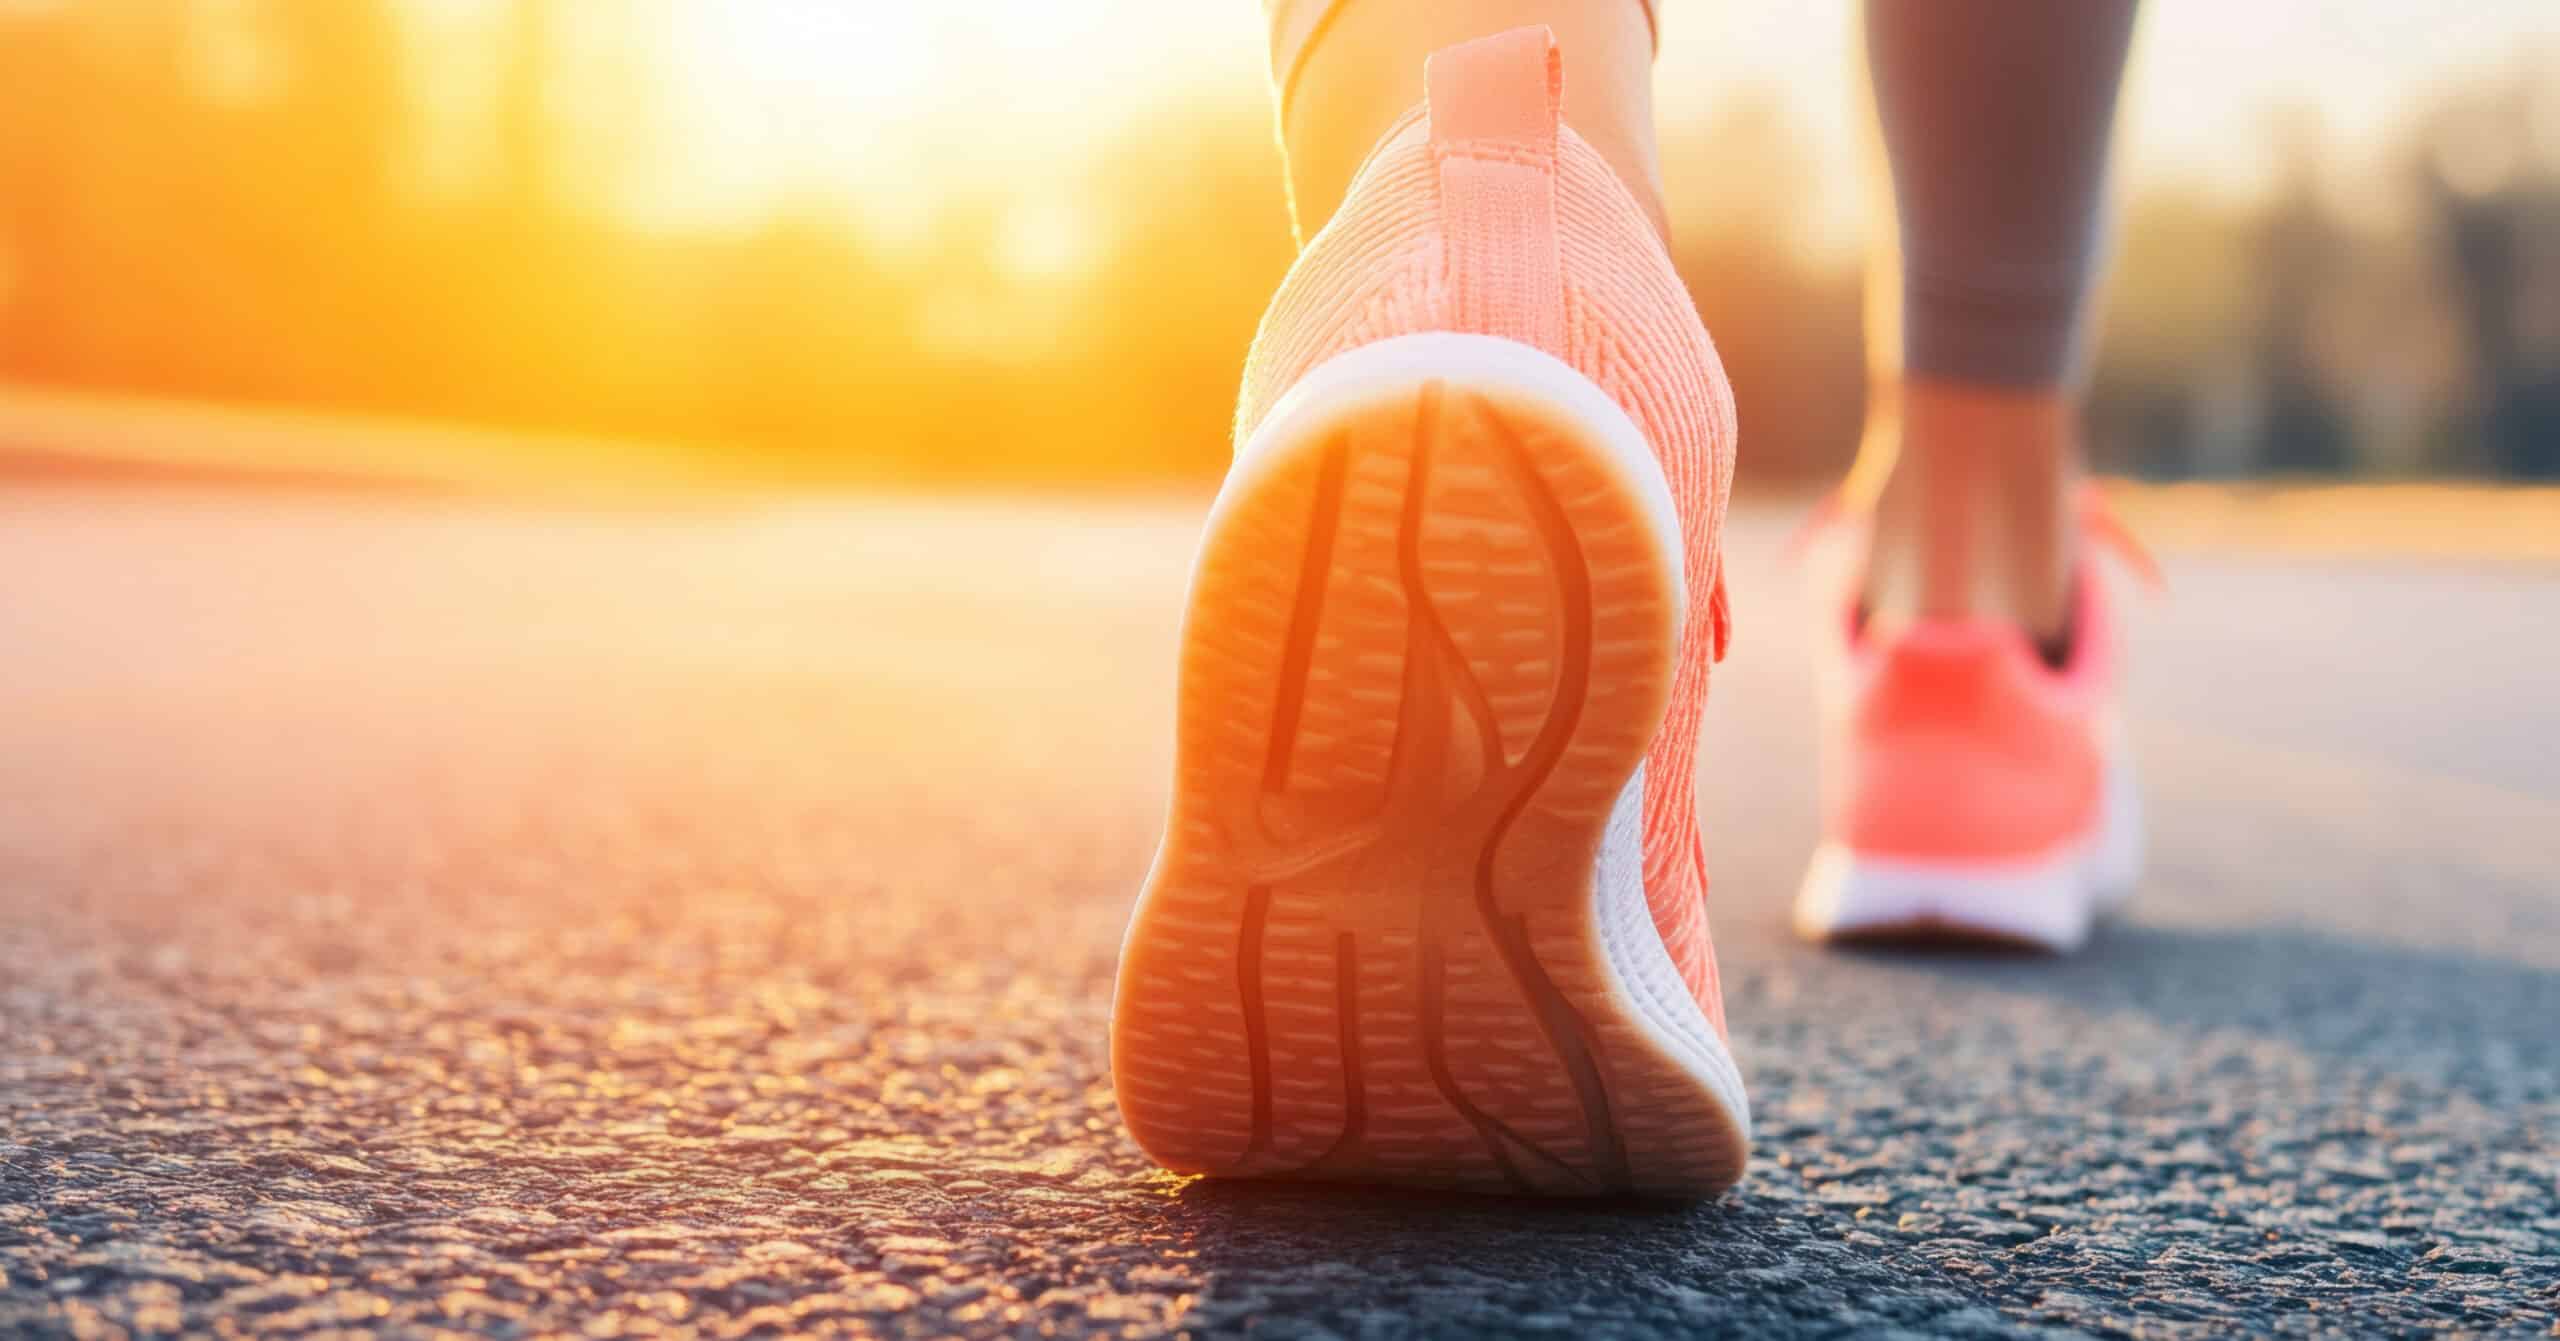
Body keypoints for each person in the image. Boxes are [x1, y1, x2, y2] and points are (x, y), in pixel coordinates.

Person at [1110, 0, 2143, 1197]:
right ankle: (1975, 598)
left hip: (1406, 269)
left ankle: (1426, 227)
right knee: (1977, 533)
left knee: (1437, 109)